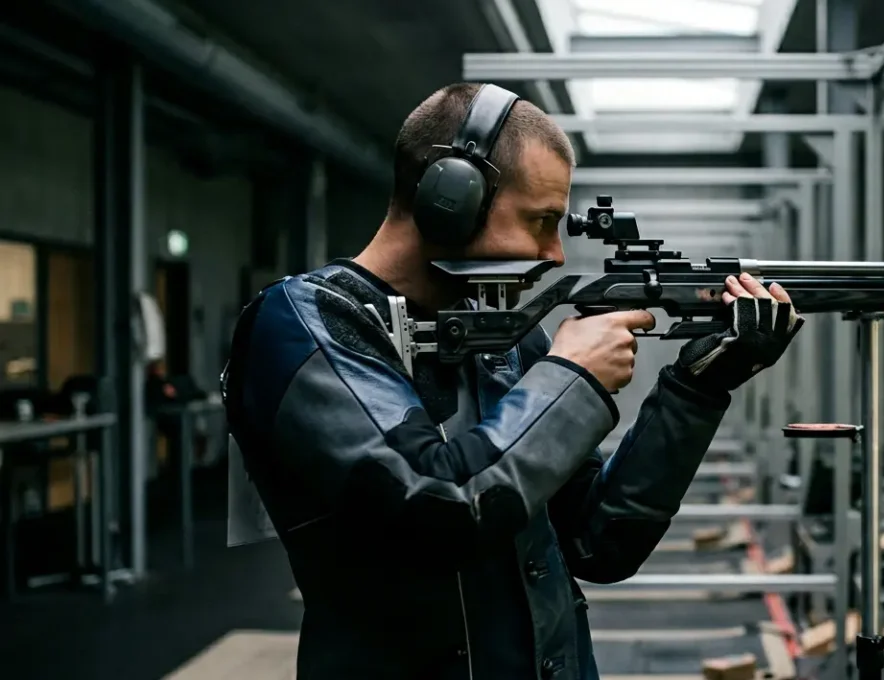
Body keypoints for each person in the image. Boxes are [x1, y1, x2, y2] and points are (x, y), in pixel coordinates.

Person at [221, 82, 804, 680]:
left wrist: (698, 387)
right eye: (541, 221)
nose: (554, 254)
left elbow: (599, 544)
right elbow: (438, 505)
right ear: (452, 199)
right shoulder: (306, 323)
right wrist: (573, 376)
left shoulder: (501, 336)